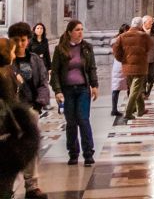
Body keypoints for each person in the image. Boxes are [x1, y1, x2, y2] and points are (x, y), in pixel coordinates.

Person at [6, 23, 50, 199]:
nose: (20, 43)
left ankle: (32, 186)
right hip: (11, 112)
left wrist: (38, 105)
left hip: (30, 109)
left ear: (28, 40)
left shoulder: (35, 60)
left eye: (23, 40)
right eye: (16, 40)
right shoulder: (6, 62)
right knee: (11, 150)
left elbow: (42, 83)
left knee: (31, 149)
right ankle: (8, 185)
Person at [49, 19, 98, 165]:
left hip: (83, 89)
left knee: (83, 119)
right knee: (71, 122)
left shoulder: (87, 48)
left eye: (82, 29)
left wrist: (94, 85)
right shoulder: (60, 49)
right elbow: (55, 72)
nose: (80, 32)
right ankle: (73, 153)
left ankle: (88, 153)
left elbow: (92, 68)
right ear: (70, 32)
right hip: (67, 90)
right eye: (77, 30)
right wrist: (57, 90)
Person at [0, 38, 42, 199]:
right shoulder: (5, 74)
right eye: (11, 50)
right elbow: (10, 104)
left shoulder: (8, 71)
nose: (14, 53)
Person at [113, 14, 153, 122]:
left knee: (134, 89)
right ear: (140, 25)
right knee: (134, 91)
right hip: (140, 68)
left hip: (127, 67)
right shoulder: (144, 36)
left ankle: (140, 109)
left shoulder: (122, 36)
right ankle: (128, 112)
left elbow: (116, 51)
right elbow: (149, 47)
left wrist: (123, 60)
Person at [110, 24, 130, 116]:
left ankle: (131, 107)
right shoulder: (117, 40)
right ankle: (114, 109)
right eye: (127, 30)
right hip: (119, 65)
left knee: (130, 87)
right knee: (116, 88)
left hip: (126, 64)